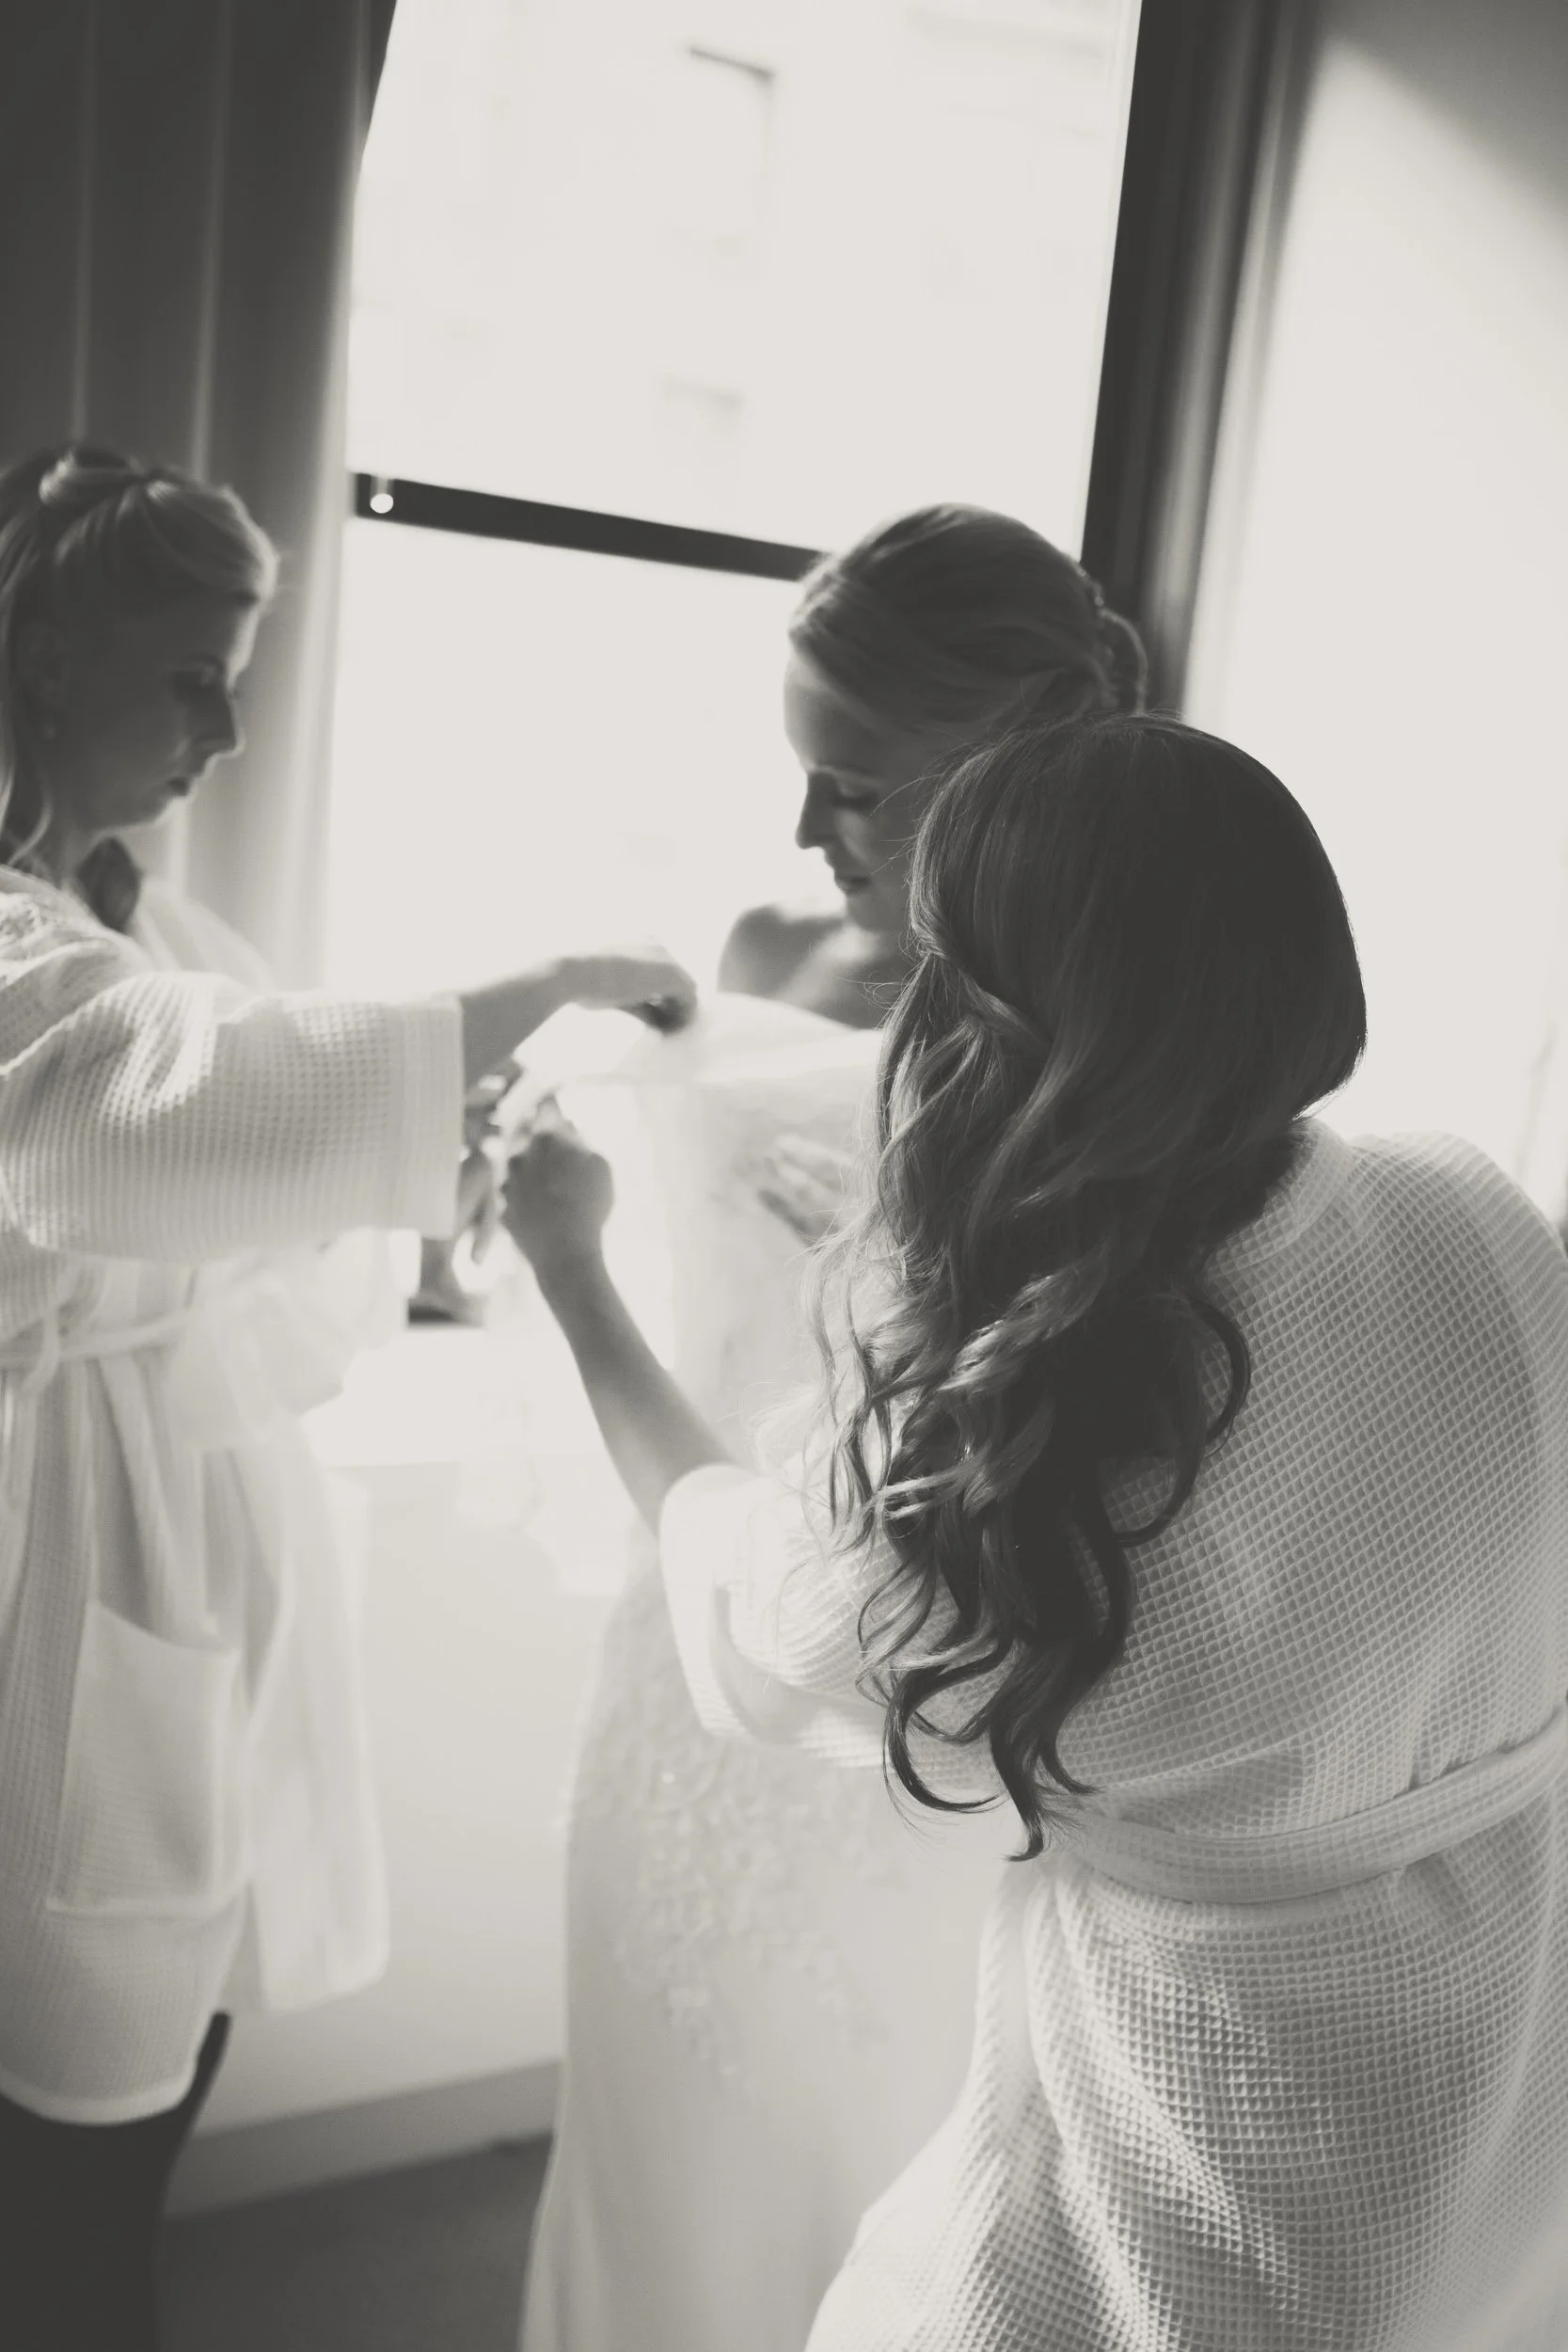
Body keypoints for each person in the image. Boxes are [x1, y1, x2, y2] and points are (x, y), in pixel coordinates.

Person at [505, 711, 1568, 2351]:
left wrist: (576, 1279)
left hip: (1171, 2212)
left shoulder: (1019, 1461)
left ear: (976, 1020)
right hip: (1493, 2144)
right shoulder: (1480, 1220)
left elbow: (727, 1580)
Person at [0, 440, 695, 2352]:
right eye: (189, 669)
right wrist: (537, 977)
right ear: (46, 658)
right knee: (68, 2167)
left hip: (188, 1572)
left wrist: (425, 1161)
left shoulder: (161, 915)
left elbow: (262, 1169)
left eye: (244, 670)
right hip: (57, 1577)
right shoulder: (23, 943)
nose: (226, 727)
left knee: (149, 2075)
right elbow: (164, 1098)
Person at [520, 507, 1146, 2352]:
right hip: (675, 1639)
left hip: (893, 1698)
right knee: (644, 2128)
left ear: (1012, 746)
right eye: (799, 775)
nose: (806, 836)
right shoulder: (763, 940)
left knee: (851, 2175)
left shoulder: (1097, 1044)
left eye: (857, 788)